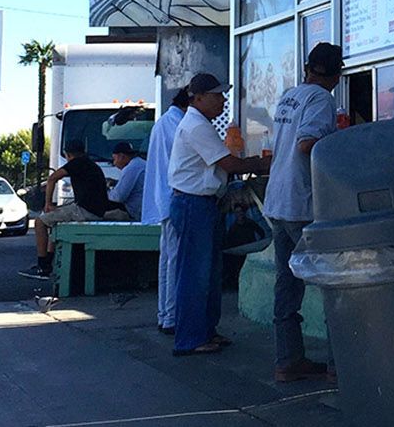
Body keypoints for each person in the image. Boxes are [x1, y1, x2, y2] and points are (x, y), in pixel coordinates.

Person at [168, 73, 270, 356]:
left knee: (209, 273)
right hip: (193, 204)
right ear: (198, 98)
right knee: (195, 274)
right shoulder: (196, 126)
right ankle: (189, 338)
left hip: (202, 203)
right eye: (216, 95)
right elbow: (227, 163)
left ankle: (205, 331)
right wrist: (262, 164)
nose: (222, 101)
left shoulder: (200, 124)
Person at [265, 42, 344, 382]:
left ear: (307, 68)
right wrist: (344, 141)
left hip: (277, 203)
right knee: (333, 282)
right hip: (303, 203)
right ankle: (338, 364)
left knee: (287, 285)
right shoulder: (322, 99)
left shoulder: (289, 96)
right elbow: (307, 143)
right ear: (337, 76)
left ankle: (288, 360)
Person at [20, 139, 126, 279]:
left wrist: (48, 204)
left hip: (85, 210)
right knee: (55, 221)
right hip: (96, 210)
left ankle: (42, 266)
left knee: (40, 222)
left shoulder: (77, 163)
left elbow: (52, 178)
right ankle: (49, 260)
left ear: (68, 154)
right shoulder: (91, 164)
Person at [145, 87, 189, 335]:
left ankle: (165, 314)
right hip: (173, 197)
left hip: (163, 198)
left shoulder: (164, 122)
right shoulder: (178, 124)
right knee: (173, 260)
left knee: (167, 259)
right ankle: (170, 316)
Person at [108, 141, 147, 221]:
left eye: (114, 159)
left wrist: (106, 190)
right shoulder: (140, 164)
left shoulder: (131, 168)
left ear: (121, 157)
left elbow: (118, 197)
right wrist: (116, 182)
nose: (114, 163)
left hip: (134, 214)